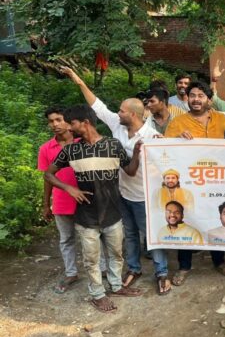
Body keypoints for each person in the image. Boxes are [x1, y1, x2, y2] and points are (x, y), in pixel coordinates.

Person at [61, 67, 168, 295]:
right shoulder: (117, 125)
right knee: (129, 235)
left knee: (151, 236)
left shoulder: (152, 137)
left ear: (133, 115)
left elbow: (169, 162)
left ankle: (161, 273)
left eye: (121, 110)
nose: (117, 113)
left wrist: (169, 144)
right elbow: (97, 106)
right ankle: (134, 269)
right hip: (120, 194)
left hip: (144, 196)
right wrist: (78, 80)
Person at [45, 105, 143, 312]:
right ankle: (97, 295)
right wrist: (68, 188)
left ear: (86, 123)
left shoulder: (113, 145)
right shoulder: (71, 150)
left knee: (116, 254)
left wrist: (135, 153)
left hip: (113, 214)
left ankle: (116, 286)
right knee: (92, 260)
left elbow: (130, 171)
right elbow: (48, 174)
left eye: (72, 124)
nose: (68, 128)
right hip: (86, 217)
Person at [164, 80, 225, 284]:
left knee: (215, 220)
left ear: (209, 100)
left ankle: (219, 261)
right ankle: (184, 266)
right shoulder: (177, 123)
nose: (196, 99)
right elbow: (164, 151)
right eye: (192, 95)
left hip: (217, 182)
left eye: (201, 96)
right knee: (186, 221)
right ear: (187, 98)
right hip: (190, 184)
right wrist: (177, 139)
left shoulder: (221, 119)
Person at [37, 106, 81, 293]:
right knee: (66, 239)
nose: (55, 124)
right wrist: (46, 204)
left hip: (85, 198)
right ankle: (71, 273)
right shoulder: (46, 148)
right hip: (61, 201)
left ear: (68, 120)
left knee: (94, 236)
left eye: (58, 119)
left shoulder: (83, 141)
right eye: (51, 121)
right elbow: (47, 178)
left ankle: (103, 270)